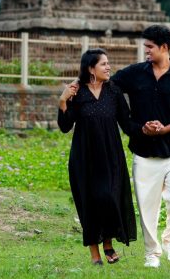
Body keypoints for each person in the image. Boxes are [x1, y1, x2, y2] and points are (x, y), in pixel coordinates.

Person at [111, 25, 170, 269]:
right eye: (145, 46)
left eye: (150, 47)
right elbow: (110, 86)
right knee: (147, 208)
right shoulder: (134, 74)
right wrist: (135, 126)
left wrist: (165, 128)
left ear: (164, 47)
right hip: (143, 152)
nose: (146, 50)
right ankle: (151, 254)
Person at [58, 48, 138, 266]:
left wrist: (147, 129)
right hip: (84, 158)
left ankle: (108, 243)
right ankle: (95, 254)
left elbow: (127, 123)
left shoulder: (114, 91)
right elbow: (65, 126)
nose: (108, 67)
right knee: (89, 203)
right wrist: (63, 101)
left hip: (111, 156)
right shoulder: (78, 92)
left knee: (109, 197)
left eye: (108, 63)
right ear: (91, 69)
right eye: (104, 64)